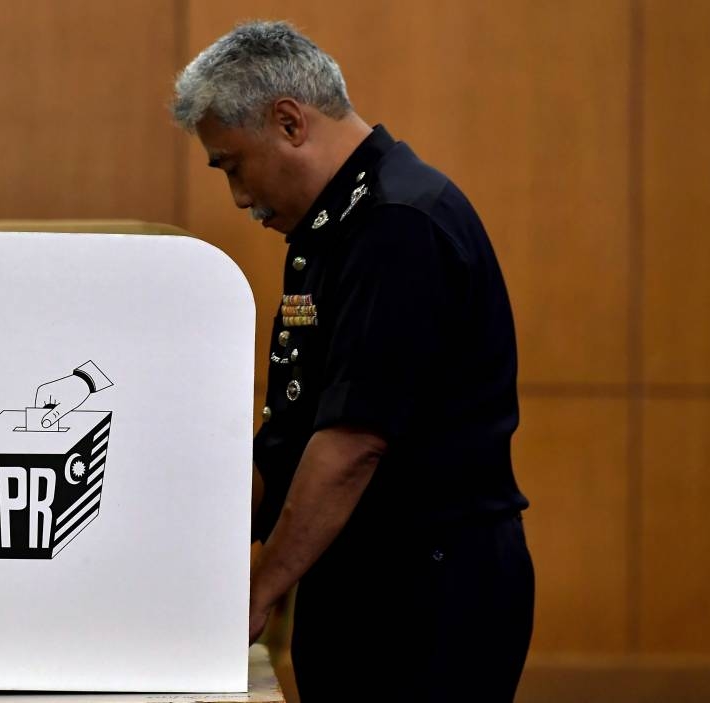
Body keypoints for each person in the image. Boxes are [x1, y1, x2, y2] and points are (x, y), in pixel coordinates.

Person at [172, 20, 534, 702]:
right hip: (366, 579)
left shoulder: (399, 224)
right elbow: (291, 437)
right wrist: (191, 547)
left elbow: (351, 444)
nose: (240, 199)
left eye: (232, 164)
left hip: (429, 591)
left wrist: (256, 592)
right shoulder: (337, 228)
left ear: (288, 122)